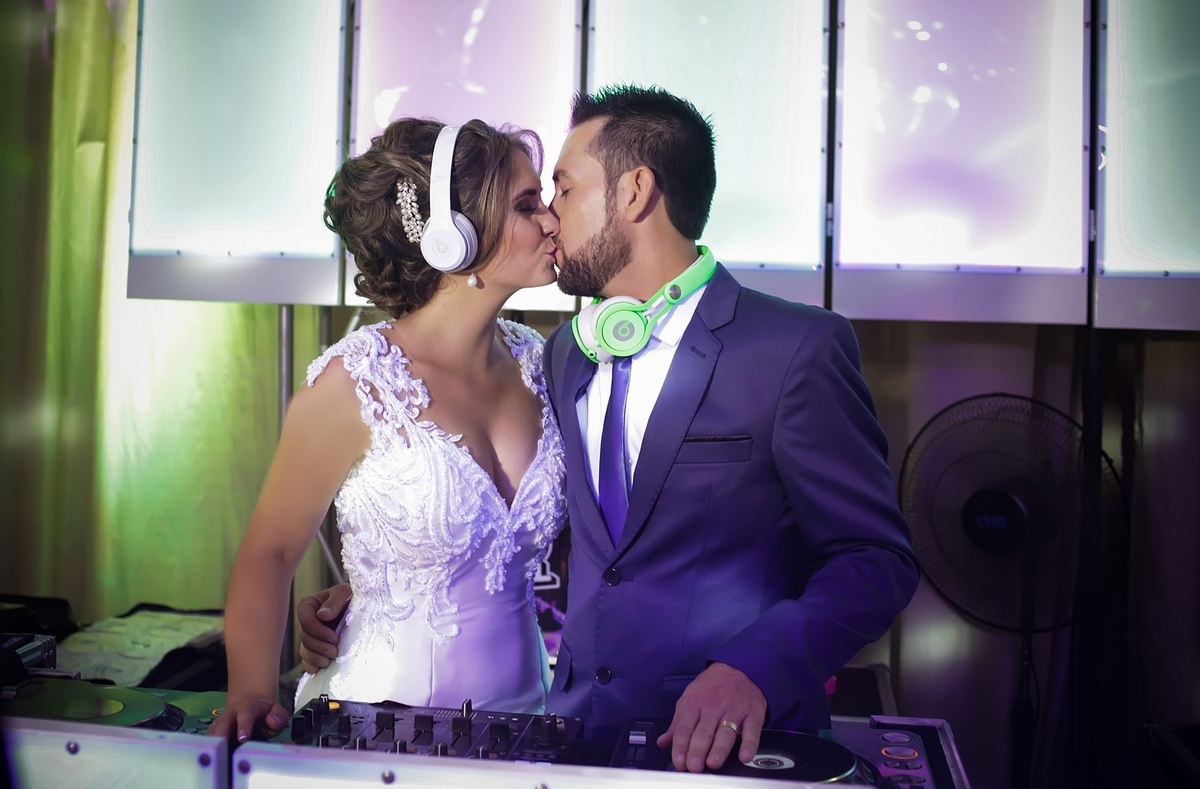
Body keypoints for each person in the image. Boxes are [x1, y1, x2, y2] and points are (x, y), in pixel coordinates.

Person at [298, 85, 920, 773]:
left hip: (730, 751)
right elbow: (548, 531)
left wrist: (756, 666)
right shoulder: (563, 355)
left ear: (635, 192)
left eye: (563, 190)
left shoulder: (795, 347)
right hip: (571, 742)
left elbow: (875, 558)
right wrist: (388, 585)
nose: (550, 217)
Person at [209, 117, 567, 744]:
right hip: (377, 733)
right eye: (526, 204)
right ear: (454, 235)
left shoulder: (540, 364)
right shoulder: (354, 382)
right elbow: (270, 553)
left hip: (526, 726)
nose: (552, 221)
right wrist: (250, 693)